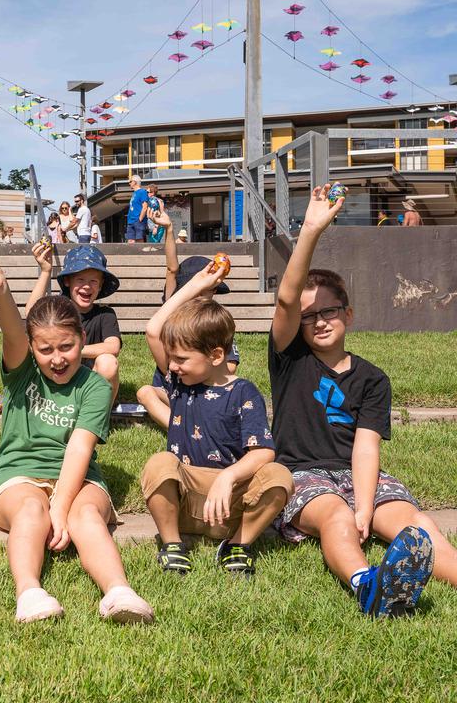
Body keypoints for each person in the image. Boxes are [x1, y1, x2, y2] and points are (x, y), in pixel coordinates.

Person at [270, 183, 454, 617]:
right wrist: (312, 230)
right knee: (336, 514)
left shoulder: (373, 378)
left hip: (356, 475)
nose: (318, 322)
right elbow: (285, 298)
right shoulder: (289, 359)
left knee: (418, 526)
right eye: (308, 316)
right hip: (301, 474)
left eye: (329, 311)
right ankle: (368, 586)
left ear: (348, 315)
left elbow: (366, 445)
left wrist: (367, 507)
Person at [0, 252, 154, 624]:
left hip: (79, 477)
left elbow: (80, 446)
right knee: (32, 511)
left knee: (87, 516)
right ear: (32, 348)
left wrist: (61, 508)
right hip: (17, 474)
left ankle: (119, 591)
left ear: (82, 339)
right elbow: (13, 329)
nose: (57, 359)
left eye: (67, 347)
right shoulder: (21, 370)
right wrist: (1, 288)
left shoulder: (93, 385)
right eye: (45, 350)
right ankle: (29, 592)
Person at [140, 264, 293, 576]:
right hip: (185, 500)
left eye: (181, 359)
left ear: (216, 355)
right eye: (172, 359)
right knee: (159, 463)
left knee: (280, 477)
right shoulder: (179, 384)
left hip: (229, 505)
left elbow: (263, 451)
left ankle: (237, 545)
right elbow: (153, 329)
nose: (173, 366)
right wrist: (196, 285)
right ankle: (172, 544)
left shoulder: (243, 391)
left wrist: (228, 478)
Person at [136, 211, 240, 429]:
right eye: (198, 291)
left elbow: (230, 368)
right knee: (146, 393)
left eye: (210, 291)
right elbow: (172, 269)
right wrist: (169, 230)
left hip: (206, 389)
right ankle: (180, 430)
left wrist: (201, 364)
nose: (204, 296)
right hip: (172, 388)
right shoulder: (173, 313)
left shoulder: (214, 324)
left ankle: (193, 420)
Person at [27, 244, 121, 405]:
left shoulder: (105, 314)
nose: (86, 286)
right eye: (80, 280)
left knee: (108, 362)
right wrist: (45, 271)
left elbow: (113, 347)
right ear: (68, 281)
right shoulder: (59, 308)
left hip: (88, 384)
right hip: (55, 377)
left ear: (100, 285)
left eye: (93, 281)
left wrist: (74, 351)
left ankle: (99, 417)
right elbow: (31, 313)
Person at [125, 175, 150, 243]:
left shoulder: (142, 192)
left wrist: (140, 219)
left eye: (130, 181)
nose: (129, 183)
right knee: (130, 241)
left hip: (138, 221)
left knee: (139, 241)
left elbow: (145, 207)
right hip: (131, 221)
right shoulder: (134, 193)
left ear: (135, 182)